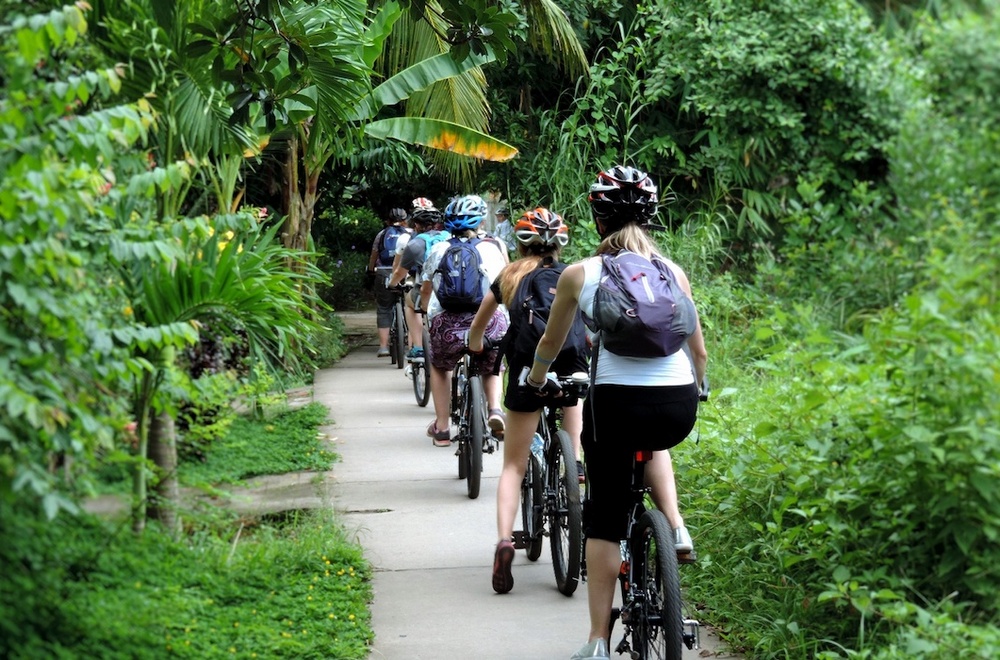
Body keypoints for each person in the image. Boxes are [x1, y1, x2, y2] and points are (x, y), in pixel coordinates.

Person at [521, 166, 707, 660]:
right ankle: (675, 523)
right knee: (656, 441)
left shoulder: (579, 273)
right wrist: (699, 386)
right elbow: (698, 350)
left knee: (605, 517)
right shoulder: (674, 272)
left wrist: (537, 380)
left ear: (598, 219)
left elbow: (551, 341)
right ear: (650, 216)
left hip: (615, 407)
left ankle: (598, 642)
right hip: (677, 405)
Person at [467, 207, 590, 595]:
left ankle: (505, 541)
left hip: (526, 370)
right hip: (571, 367)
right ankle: (576, 467)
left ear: (520, 242)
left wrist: (476, 349)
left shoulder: (509, 276)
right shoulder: (574, 275)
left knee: (513, 466)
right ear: (559, 243)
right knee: (577, 440)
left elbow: (480, 326)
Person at [420, 195, 509, 446]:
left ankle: (442, 427)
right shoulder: (492, 248)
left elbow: (426, 289)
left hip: (447, 325)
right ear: (480, 222)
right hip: (489, 322)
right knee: (492, 364)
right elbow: (507, 285)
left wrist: (424, 309)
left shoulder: (438, 249)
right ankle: (495, 410)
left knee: (440, 366)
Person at [388, 204, 450, 359]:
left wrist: (391, 284)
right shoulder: (449, 238)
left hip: (428, 289)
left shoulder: (415, 244)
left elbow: (400, 273)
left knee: (409, 303)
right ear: (437, 224)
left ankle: (417, 347)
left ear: (415, 224)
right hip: (451, 288)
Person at [367, 207, 412, 357]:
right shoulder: (411, 234)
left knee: (384, 307)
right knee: (411, 308)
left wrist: (371, 269)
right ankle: (414, 345)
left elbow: (375, 253)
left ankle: (383, 347)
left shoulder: (381, 235)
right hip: (406, 272)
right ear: (406, 221)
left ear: (388, 221)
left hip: (384, 271)